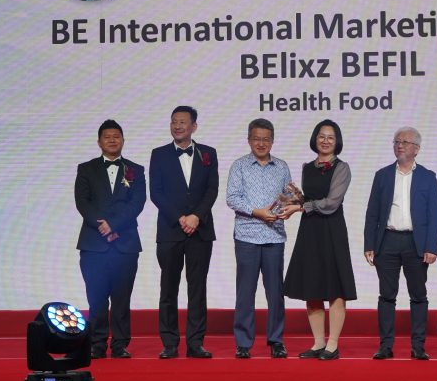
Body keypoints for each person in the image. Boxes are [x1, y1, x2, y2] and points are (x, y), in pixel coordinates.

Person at [363, 127, 437, 360]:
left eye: (405, 142)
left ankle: (418, 346)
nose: (399, 145)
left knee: (418, 295)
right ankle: (385, 346)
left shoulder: (428, 177)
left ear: (416, 149)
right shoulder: (382, 175)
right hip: (387, 241)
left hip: (416, 243)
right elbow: (372, 213)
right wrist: (369, 244)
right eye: (396, 141)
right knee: (387, 295)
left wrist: (431, 247)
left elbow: (435, 215)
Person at [226, 118, 301, 359]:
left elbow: (288, 197)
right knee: (245, 292)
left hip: (274, 236)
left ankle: (276, 341)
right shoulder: (239, 166)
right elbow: (232, 198)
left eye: (266, 139)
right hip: (247, 235)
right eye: (256, 139)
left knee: (275, 292)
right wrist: (257, 212)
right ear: (249, 140)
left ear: (272, 141)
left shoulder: (282, 166)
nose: (261, 143)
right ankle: (243, 343)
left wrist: (293, 201)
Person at [149, 106, 219, 359]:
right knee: (168, 288)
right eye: (174, 122)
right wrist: (180, 218)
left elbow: (212, 189)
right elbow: (156, 192)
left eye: (182, 122)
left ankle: (195, 343)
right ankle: (169, 343)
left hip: (200, 231)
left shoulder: (208, 153)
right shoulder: (159, 154)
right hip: (170, 230)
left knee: (197, 289)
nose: (177, 126)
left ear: (194, 126)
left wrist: (196, 216)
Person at [284, 120, 357, 360]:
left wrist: (301, 207)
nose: (325, 141)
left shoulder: (342, 168)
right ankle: (318, 343)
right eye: (322, 136)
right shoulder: (307, 167)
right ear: (315, 139)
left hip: (332, 230)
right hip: (310, 230)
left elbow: (332, 202)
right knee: (312, 287)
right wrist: (297, 199)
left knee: (336, 287)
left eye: (330, 137)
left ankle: (332, 345)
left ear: (337, 142)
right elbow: (311, 199)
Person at [74, 119, 145, 359]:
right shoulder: (86, 169)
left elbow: (137, 203)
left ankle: (120, 345)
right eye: (107, 136)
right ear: (99, 142)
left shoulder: (136, 170)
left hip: (125, 244)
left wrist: (114, 225)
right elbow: (82, 202)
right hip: (94, 245)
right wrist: (102, 226)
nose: (112, 140)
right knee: (96, 298)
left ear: (123, 140)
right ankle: (97, 343)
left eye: (116, 136)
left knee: (122, 299)